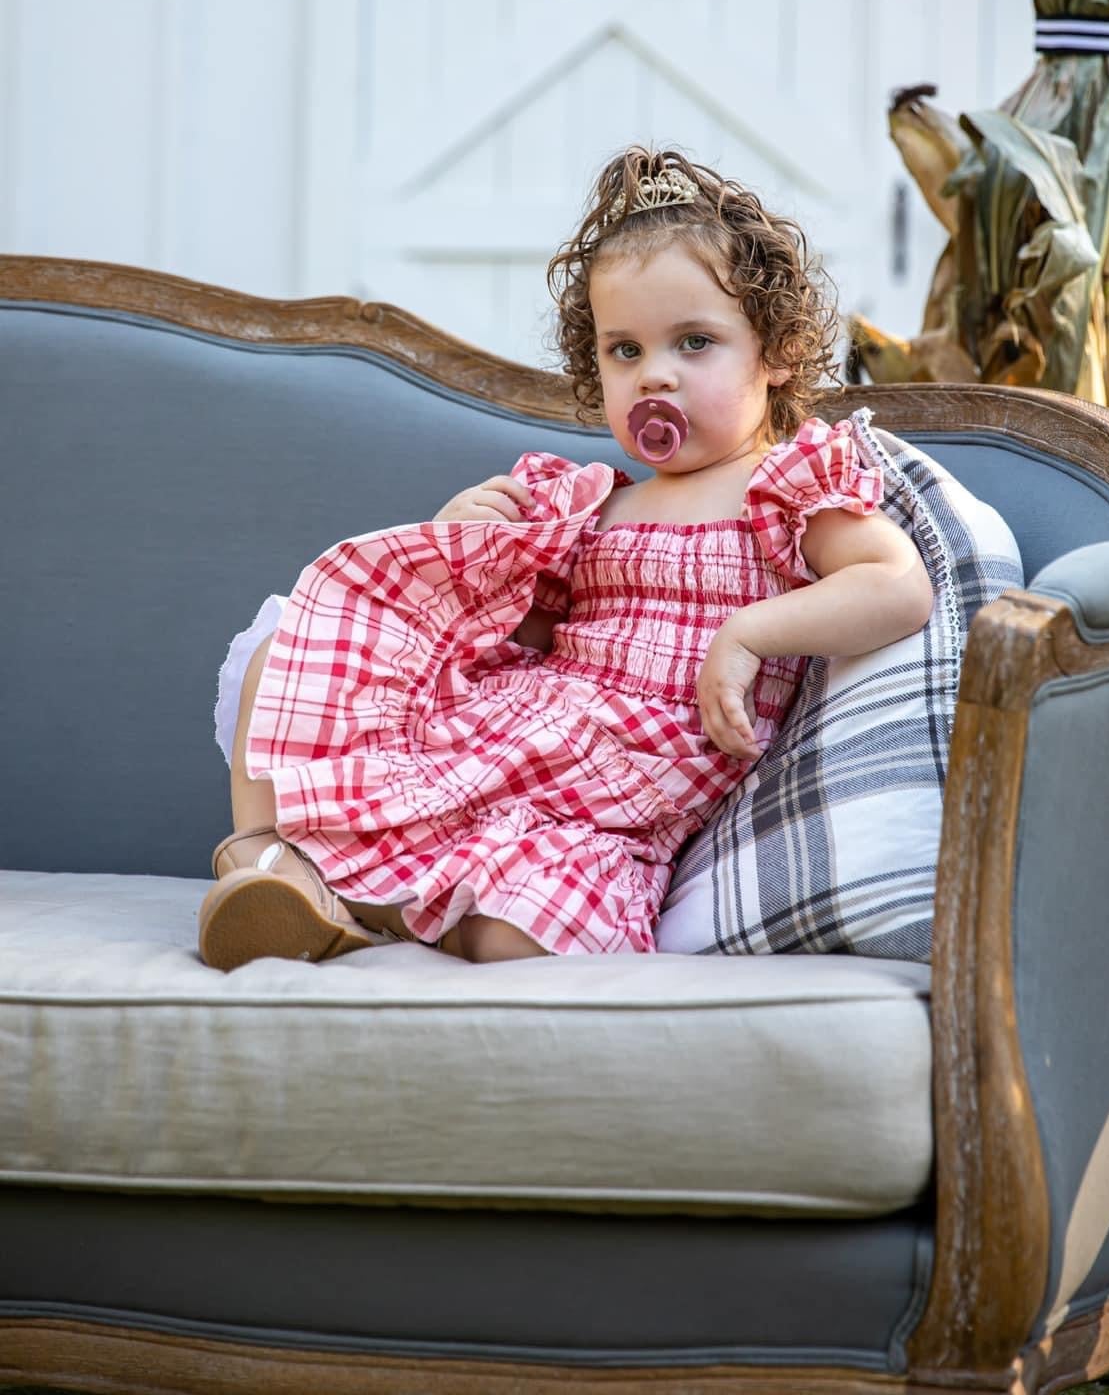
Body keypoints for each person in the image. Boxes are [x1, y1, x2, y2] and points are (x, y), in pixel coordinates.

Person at [198, 146, 933, 970]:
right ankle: (266, 861)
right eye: (626, 351)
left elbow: (898, 587)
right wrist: (465, 538)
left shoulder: (784, 485)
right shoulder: (596, 502)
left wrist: (751, 634)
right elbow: (517, 629)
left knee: (522, 930)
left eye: (695, 342)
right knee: (300, 640)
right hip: (519, 732)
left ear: (777, 352)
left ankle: (378, 908)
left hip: (611, 801)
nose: (656, 375)